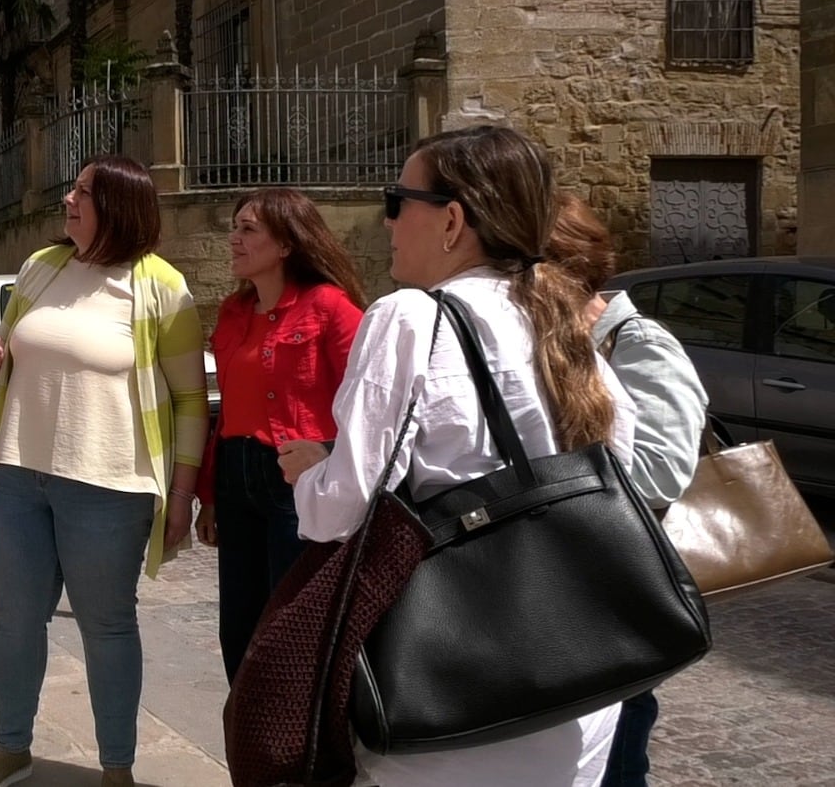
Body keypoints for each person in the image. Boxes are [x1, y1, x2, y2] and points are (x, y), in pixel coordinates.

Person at [277, 125, 636, 787]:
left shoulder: (409, 317)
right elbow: (618, 461)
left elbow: (340, 511)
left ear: (451, 220)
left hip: (459, 691)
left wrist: (308, 473)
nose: (387, 222)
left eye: (397, 200)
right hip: (579, 687)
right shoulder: (558, 317)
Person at [0, 155, 209, 787]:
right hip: (18, 474)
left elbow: (187, 398)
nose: (68, 199)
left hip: (110, 487)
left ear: (120, 207)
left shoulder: (161, 286)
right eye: (71, 187)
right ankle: (11, 749)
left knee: (107, 626)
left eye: (83, 192)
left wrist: (181, 493)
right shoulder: (39, 269)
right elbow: (10, 350)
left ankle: (116, 769)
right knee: (14, 619)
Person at [546, 193, 708, 787]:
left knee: (619, 743)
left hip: (619, 588)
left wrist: (550, 480)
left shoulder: (638, 342)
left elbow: (663, 471)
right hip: (570, 582)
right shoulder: (561, 347)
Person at [192, 188, 366, 684]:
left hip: (297, 481)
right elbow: (225, 414)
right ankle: (250, 738)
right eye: (234, 227)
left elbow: (372, 401)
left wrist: (331, 454)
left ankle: (295, 742)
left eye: (249, 229)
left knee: (292, 625)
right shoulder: (232, 313)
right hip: (236, 475)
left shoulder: (329, 308)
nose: (234, 239)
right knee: (240, 627)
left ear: (287, 243)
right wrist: (211, 498)